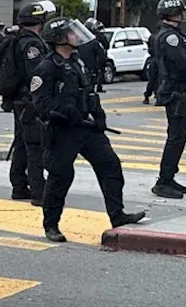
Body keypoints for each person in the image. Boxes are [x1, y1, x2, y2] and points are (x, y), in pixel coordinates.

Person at [31, 17, 145, 242]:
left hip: (87, 127)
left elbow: (89, 92)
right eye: (71, 33)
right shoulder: (46, 67)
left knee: (110, 166)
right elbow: (41, 104)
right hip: (62, 131)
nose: (76, 36)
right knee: (60, 177)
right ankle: (51, 225)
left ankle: (117, 215)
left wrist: (99, 114)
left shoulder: (77, 61)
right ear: (59, 39)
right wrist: (66, 112)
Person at [151, 0, 186, 199]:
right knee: (176, 137)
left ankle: (169, 176)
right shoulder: (169, 37)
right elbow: (182, 62)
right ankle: (163, 180)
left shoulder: (173, 34)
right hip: (175, 90)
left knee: (179, 136)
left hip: (178, 89)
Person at [7, 3, 52, 203]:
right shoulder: (31, 44)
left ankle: (19, 185)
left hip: (19, 99)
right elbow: (36, 73)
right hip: (28, 100)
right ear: (39, 21)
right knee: (34, 144)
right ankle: (37, 190)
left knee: (22, 142)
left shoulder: (19, 40)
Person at [78, 18, 109, 94]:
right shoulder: (94, 41)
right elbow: (102, 54)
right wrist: (100, 65)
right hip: (90, 68)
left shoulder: (78, 40)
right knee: (90, 91)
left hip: (80, 68)